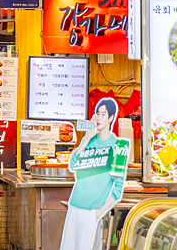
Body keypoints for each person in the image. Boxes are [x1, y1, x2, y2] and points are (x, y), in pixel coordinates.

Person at [60, 98, 130, 250]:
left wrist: (98, 213)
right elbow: (72, 165)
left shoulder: (118, 146)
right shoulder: (89, 142)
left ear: (111, 117)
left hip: (92, 213)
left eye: (103, 114)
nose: (98, 117)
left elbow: (117, 189)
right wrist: (86, 138)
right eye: (97, 113)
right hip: (74, 207)